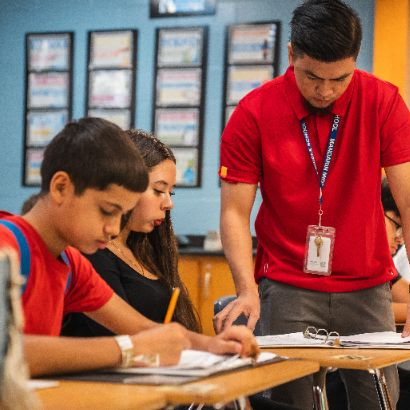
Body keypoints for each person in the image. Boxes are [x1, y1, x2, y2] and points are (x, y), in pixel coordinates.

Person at [215, 0, 410, 409]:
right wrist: (246, 290)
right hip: (286, 282)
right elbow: (234, 211)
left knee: (378, 399)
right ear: (291, 55)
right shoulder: (254, 112)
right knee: (291, 400)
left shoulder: (383, 102)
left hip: (368, 283)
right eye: (312, 77)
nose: (325, 90)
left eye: (339, 78)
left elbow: (408, 202)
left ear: (356, 61)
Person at [0, 118, 257, 377]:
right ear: (60, 187)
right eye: (107, 211)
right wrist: (127, 350)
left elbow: (143, 329)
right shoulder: (5, 246)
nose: (113, 229)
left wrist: (211, 345)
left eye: (122, 214)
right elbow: (6, 352)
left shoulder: (71, 263)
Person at [62, 129, 200, 336]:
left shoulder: (144, 250)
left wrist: (208, 345)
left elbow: (143, 331)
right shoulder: (92, 253)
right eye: (158, 191)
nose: (169, 204)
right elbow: (117, 339)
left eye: (170, 193)